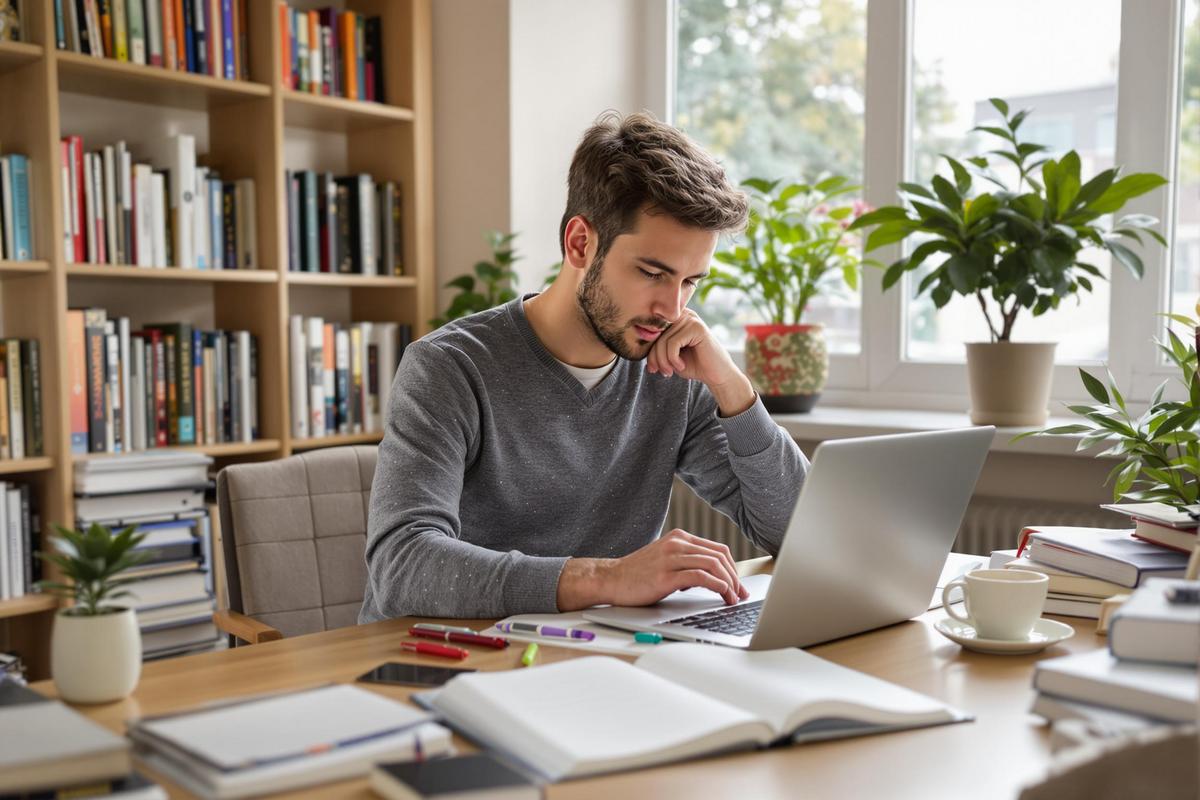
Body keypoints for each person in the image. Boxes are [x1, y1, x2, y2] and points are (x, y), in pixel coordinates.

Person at [359, 111, 809, 622]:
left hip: (591, 654)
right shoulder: (449, 368)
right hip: (444, 658)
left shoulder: (674, 373)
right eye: (651, 272)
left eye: (690, 282)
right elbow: (402, 567)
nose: (672, 309)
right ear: (579, 243)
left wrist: (733, 387)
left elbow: (802, 534)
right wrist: (608, 578)